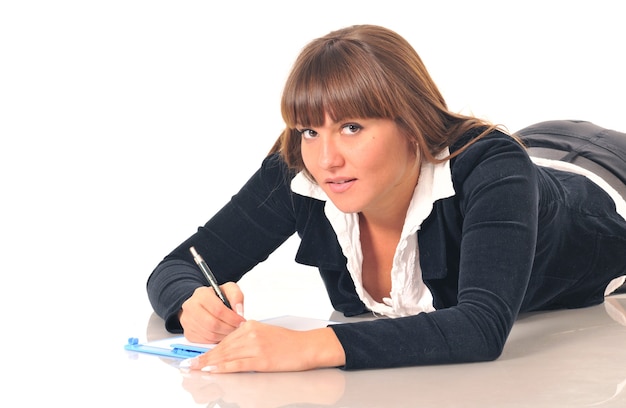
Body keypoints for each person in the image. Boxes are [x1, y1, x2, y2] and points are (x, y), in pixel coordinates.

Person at [146, 24, 626, 373]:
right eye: (310, 129)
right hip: (537, 157)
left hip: (608, 180)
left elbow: (480, 328)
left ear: (410, 123)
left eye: (352, 127)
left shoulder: (492, 166)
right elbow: (175, 266)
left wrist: (307, 346)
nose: (327, 157)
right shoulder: (302, 166)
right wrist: (191, 302)